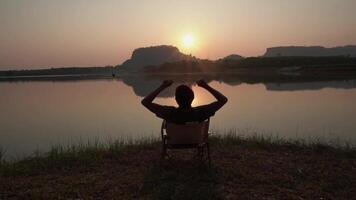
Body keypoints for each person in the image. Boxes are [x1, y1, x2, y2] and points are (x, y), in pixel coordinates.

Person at [141, 80, 228, 124]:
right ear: (193, 98)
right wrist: (206, 86)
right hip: (196, 141)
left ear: (176, 99)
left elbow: (145, 102)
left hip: (174, 141)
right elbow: (223, 100)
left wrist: (163, 86)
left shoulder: (169, 112)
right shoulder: (202, 112)